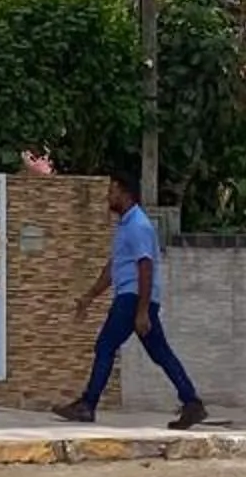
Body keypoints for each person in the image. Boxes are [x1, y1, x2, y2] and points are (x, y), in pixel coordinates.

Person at [56, 174, 206, 427]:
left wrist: (142, 310)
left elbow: (145, 266)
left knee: (105, 346)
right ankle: (192, 403)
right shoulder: (126, 225)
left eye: (113, 191)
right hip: (135, 297)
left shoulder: (138, 225)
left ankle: (87, 405)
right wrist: (89, 297)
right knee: (161, 354)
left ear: (126, 194)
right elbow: (114, 268)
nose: (108, 196)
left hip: (133, 298)